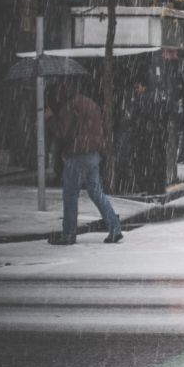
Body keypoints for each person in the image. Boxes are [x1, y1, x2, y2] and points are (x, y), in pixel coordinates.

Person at [46, 82, 123, 245]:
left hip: (77, 155)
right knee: (96, 192)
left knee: (70, 194)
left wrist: (50, 118)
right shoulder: (91, 103)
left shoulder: (70, 106)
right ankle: (115, 228)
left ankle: (68, 235)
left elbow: (61, 131)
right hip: (93, 154)